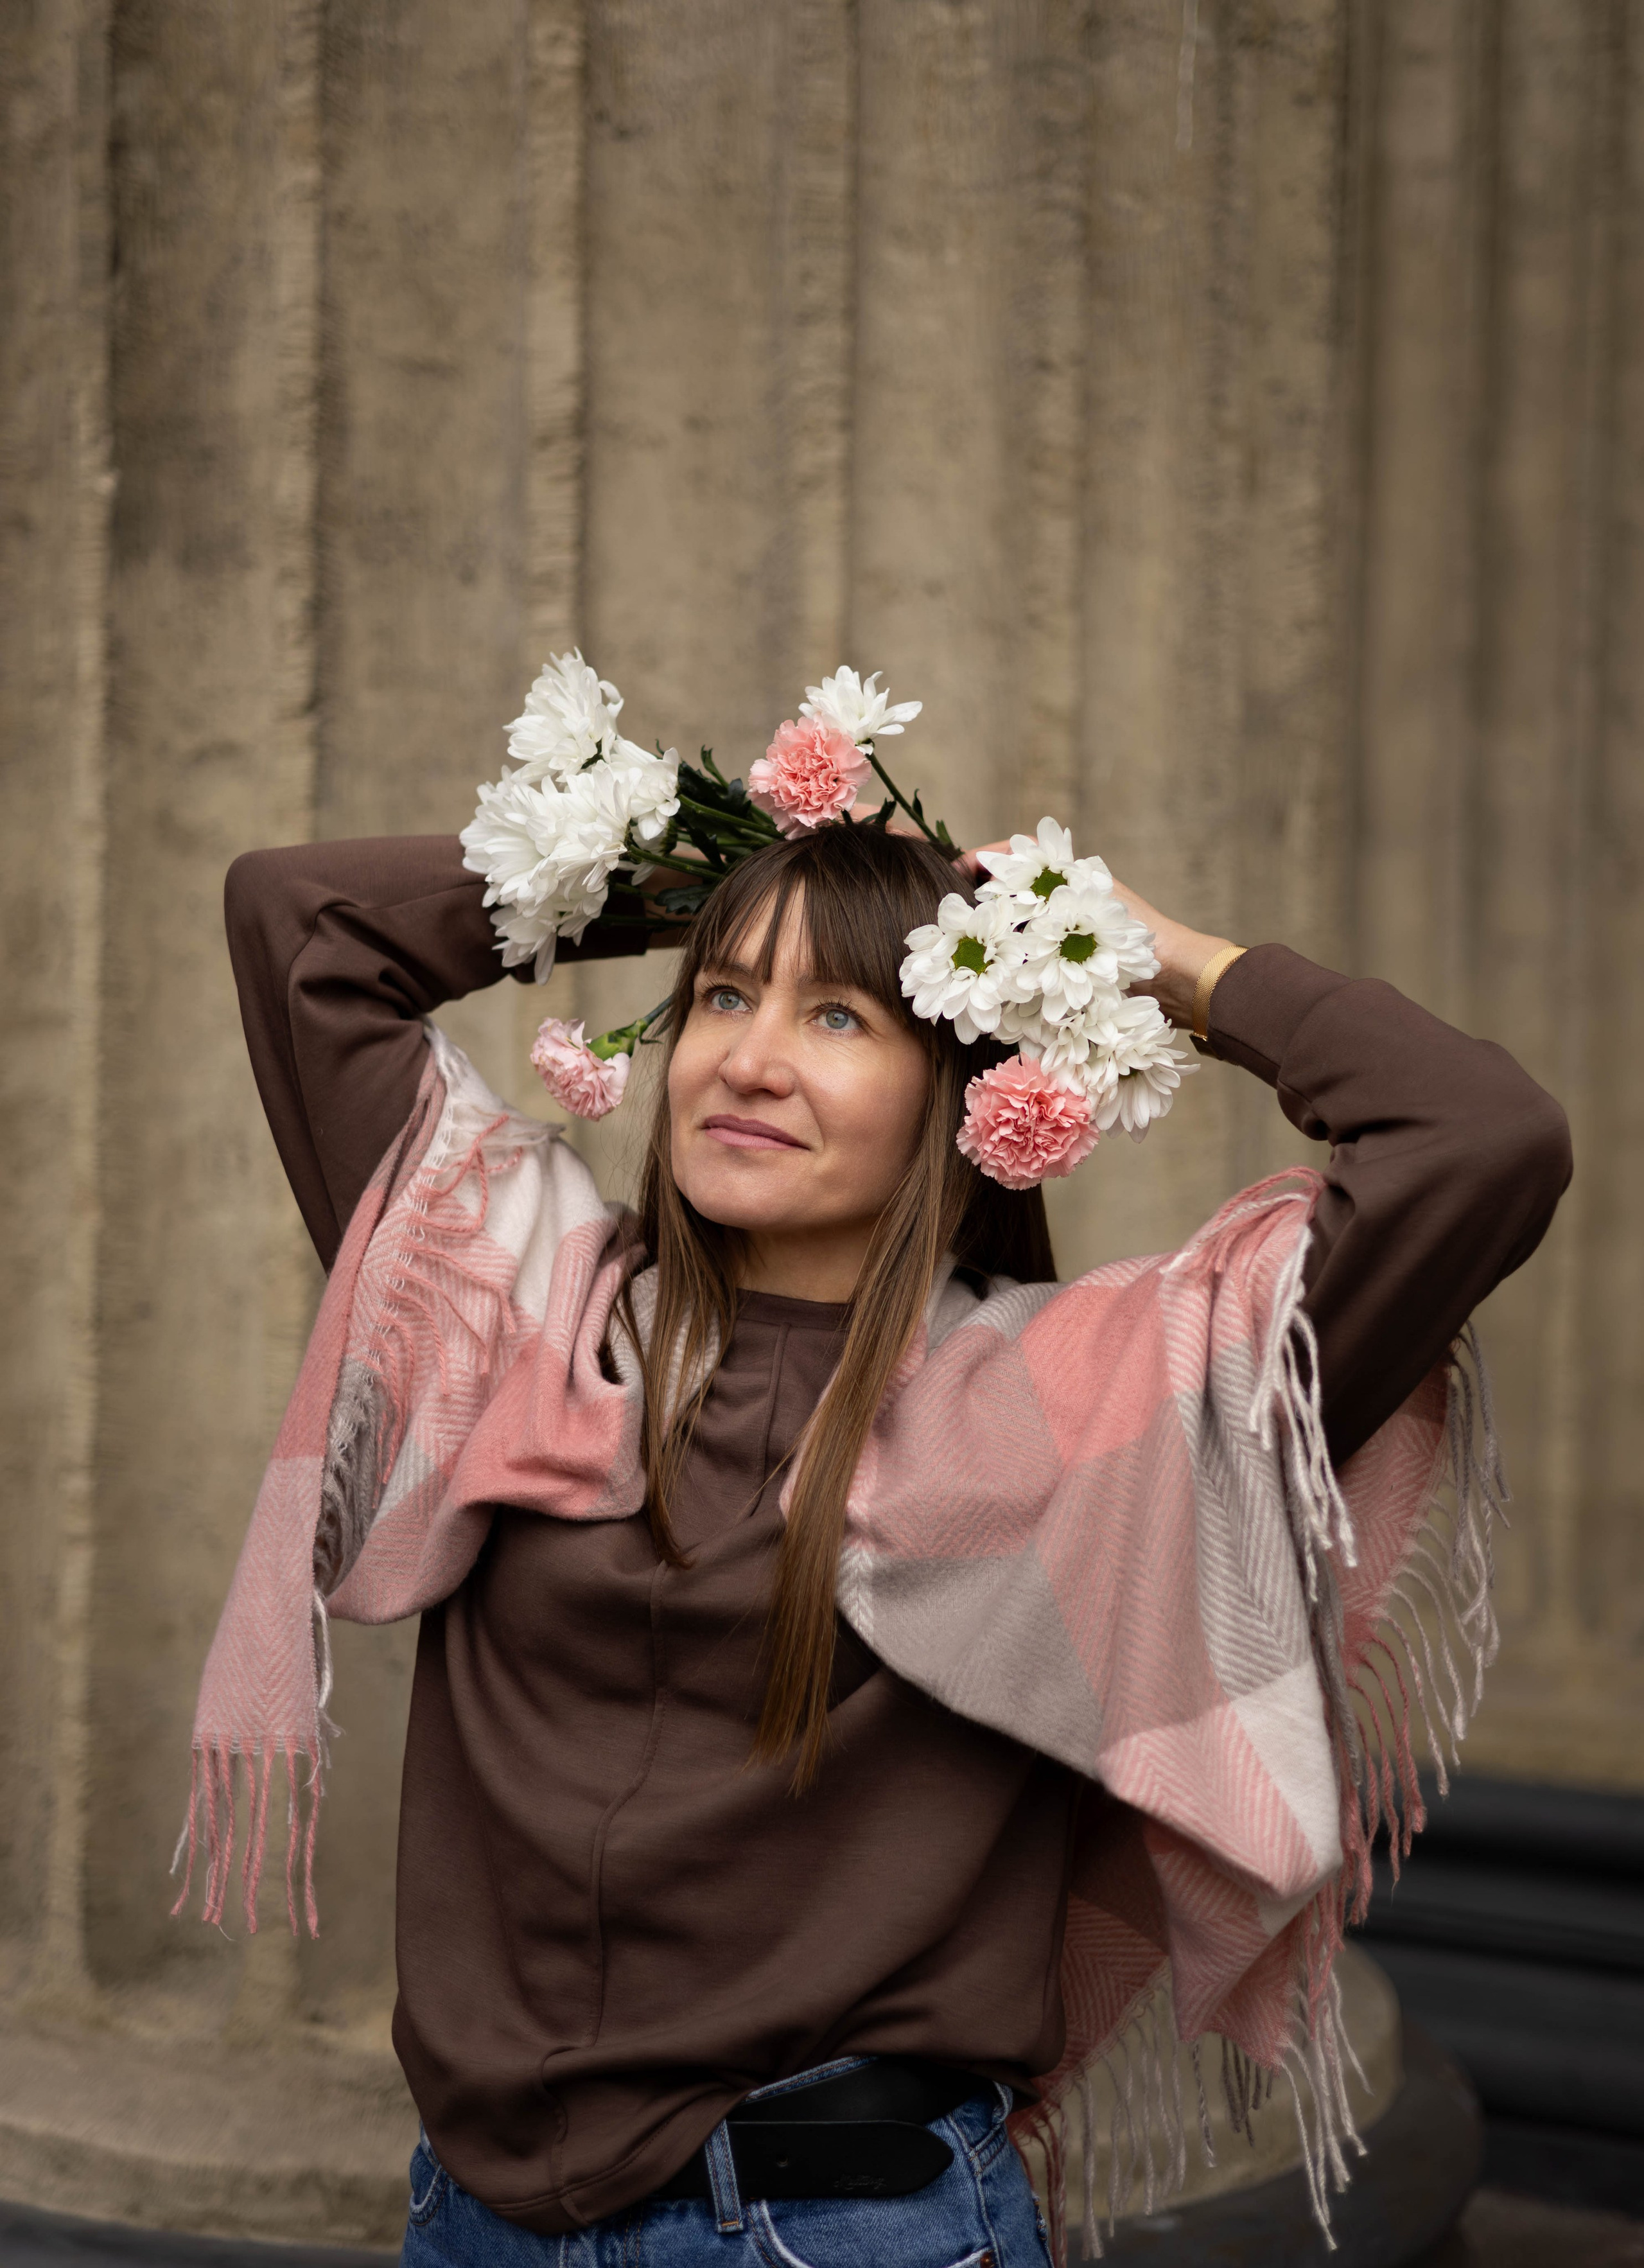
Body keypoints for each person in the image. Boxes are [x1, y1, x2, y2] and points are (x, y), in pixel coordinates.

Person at [211, 819, 1568, 2268]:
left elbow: (1476, 1138)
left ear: (959, 1087)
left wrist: (1144, 957)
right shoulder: (520, 1312)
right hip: (472, 2223)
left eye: (840, 1015)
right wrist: (733, 852)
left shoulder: (1084, 1403)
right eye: (724, 995)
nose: (749, 1060)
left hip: (842, 2231)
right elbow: (303, 921)